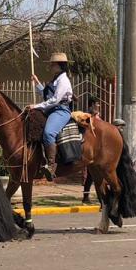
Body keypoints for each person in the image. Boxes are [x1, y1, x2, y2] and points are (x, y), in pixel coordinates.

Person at [30, 52, 75, 181]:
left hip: (61, 110)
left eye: (52, 64)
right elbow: (47, 95)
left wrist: (36, 106)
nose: (50, 66)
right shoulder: (56, 79)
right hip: (51, 110)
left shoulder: (63, 80)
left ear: (59, 65)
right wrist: (37, 83)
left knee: (49, 133)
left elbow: (55, 100)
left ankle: (51, 166)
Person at [82, 97, 104, 202]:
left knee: (92, 176)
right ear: (92, 105)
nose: (98, 106)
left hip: (98, 148)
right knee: (93, 175)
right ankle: (88, 197)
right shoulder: (88, 116)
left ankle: (87, 197)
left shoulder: (97, 116)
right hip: (92, 148)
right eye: (97, 104)